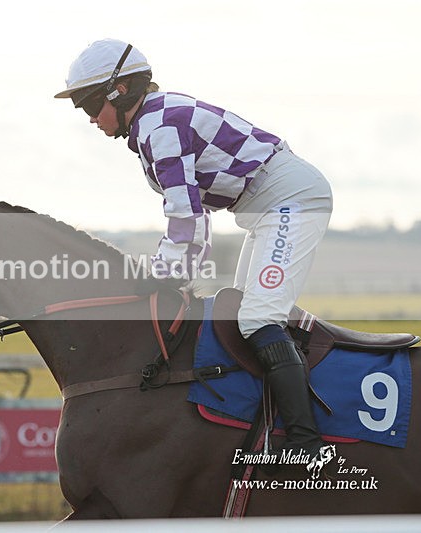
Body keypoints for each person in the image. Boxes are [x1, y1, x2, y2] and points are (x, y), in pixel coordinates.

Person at [55, 38, 333, 467]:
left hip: (290, 201)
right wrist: (170, 274)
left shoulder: (159, 125)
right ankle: (272, 426)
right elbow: (194, 218)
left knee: (258, 318)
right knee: (240, 319)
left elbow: (185, 216)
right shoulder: (154, 120)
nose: (90, 118)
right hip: (267, 209)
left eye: (91, 105)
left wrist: (160, 276)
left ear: (120, 91)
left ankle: (307, 446)